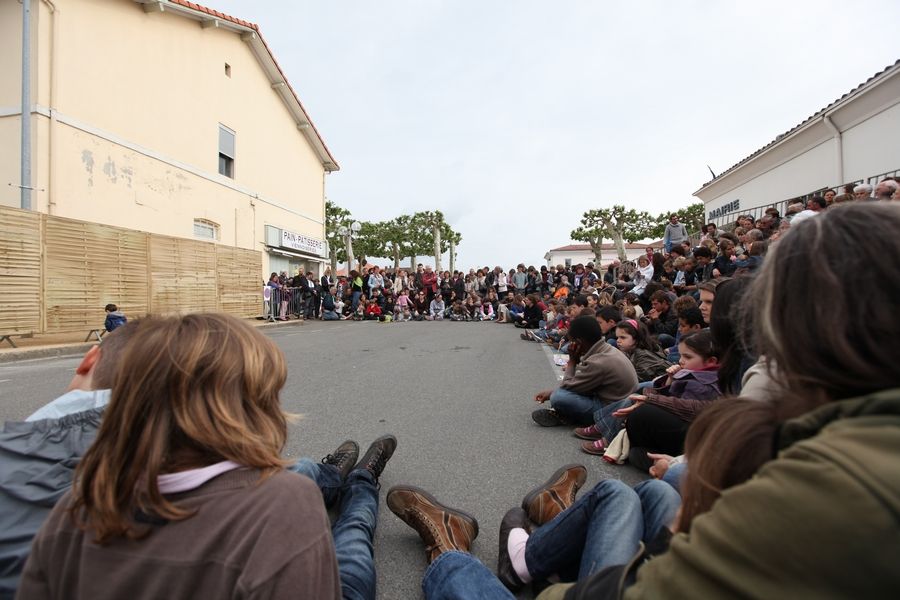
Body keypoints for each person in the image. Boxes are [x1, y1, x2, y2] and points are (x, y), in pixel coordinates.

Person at [17, 314, 399, 600]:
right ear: (251, 408)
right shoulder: (283, 502)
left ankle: (334, 475)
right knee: (352, 547)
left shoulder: (76, 505)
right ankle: (362, 483)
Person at [615, 329, 721, 470]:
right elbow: (670, 396)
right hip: (681, 431)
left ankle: (666, 462)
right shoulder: (693, 373)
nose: (681, 360)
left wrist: (652, 400)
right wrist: (671, 379)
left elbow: (684, 409)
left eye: (687, 357)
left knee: (642, 413)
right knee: (641, 394)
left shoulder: (705, 383)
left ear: (711, 361)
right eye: (681, 355)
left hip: (692, 436)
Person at [531, 316, 637, 427]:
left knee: (558, 397)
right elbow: (581, 384)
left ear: (578, 342)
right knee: (559, 393)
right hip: (618, 400)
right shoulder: (607, 349)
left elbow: (567, 386)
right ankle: (567, 415)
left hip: (611, 410)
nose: (571, 345)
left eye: (572, 341)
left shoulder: (598, 362)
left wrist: (572, 362)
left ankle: (572, 418)